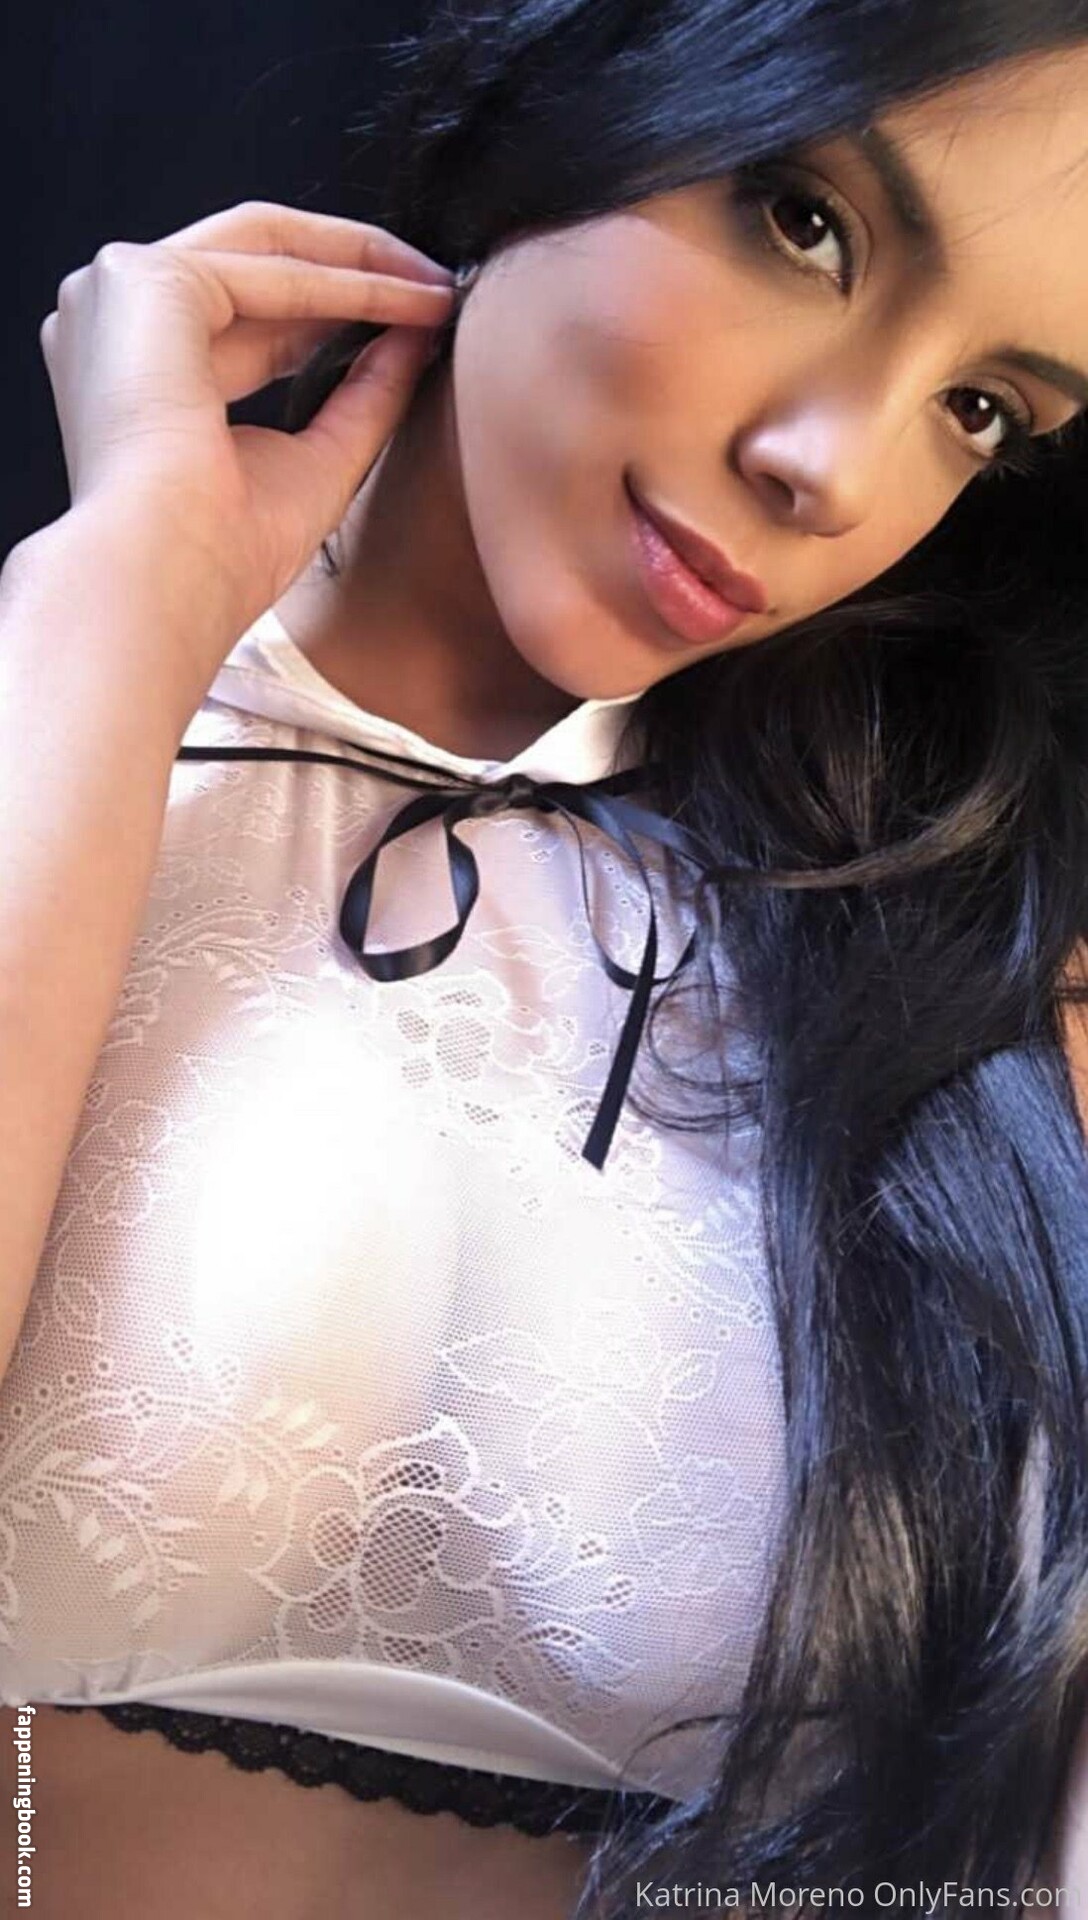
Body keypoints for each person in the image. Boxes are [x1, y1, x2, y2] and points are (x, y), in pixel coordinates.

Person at [2, 0, 1088, 1914]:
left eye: (981, 407)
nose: (833, 471)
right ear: (580, 92)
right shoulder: (60, 721)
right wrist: (113, 597)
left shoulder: (978, 967)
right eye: (808, 224)